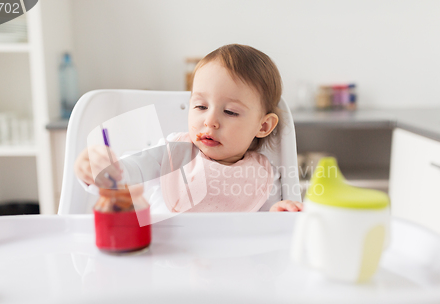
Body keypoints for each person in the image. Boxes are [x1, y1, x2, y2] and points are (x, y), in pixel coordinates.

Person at [74, 44, 303, 213]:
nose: (210, 121)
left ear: (263, 126)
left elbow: (263, 231)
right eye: (201, 106)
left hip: (229, 269)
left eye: (230, 112)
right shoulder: (173, 153)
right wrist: (103, 170)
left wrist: (278, 215)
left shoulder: (263, 175)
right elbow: (131, 171)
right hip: (163, 265)